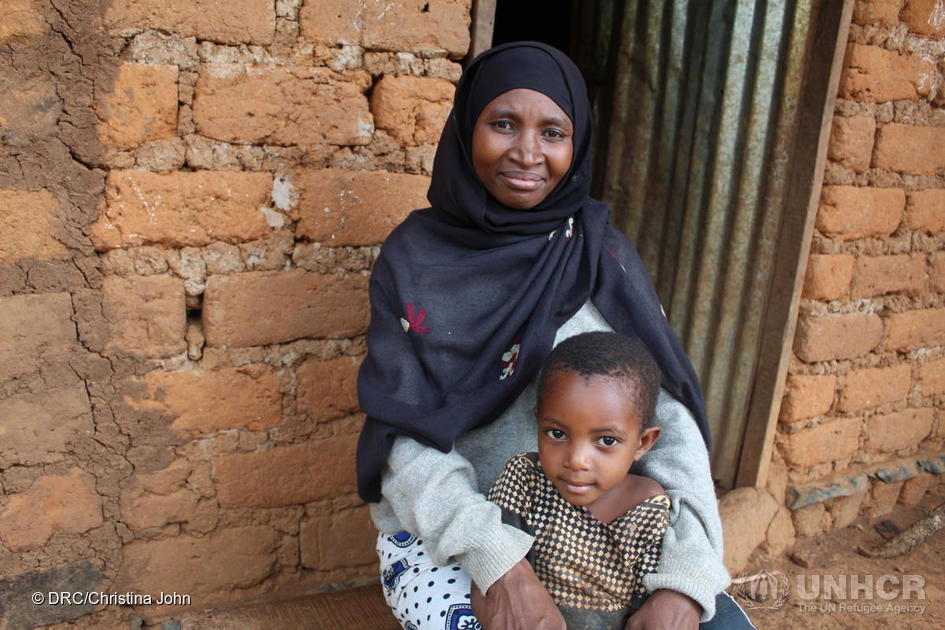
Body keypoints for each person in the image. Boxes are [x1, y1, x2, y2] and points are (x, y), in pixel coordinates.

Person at [356, 42, 754, 630]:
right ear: (467, 130)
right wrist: (499, 562)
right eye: (503, 124)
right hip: (455, 530)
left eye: (553, 132)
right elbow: (404, 437)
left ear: (578, 143)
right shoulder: (413, 262)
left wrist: (686, 579)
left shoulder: (602, 257)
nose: (526, 153)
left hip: (601, 526)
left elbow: (668, 423)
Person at [485, 331, 669, 630]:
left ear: (643, 442)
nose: (576, 460)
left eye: (606, 440)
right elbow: (492, 581)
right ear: (538, 422)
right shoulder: (525, 481)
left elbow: (650, 609)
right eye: (557, 434)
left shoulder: (648, 509)